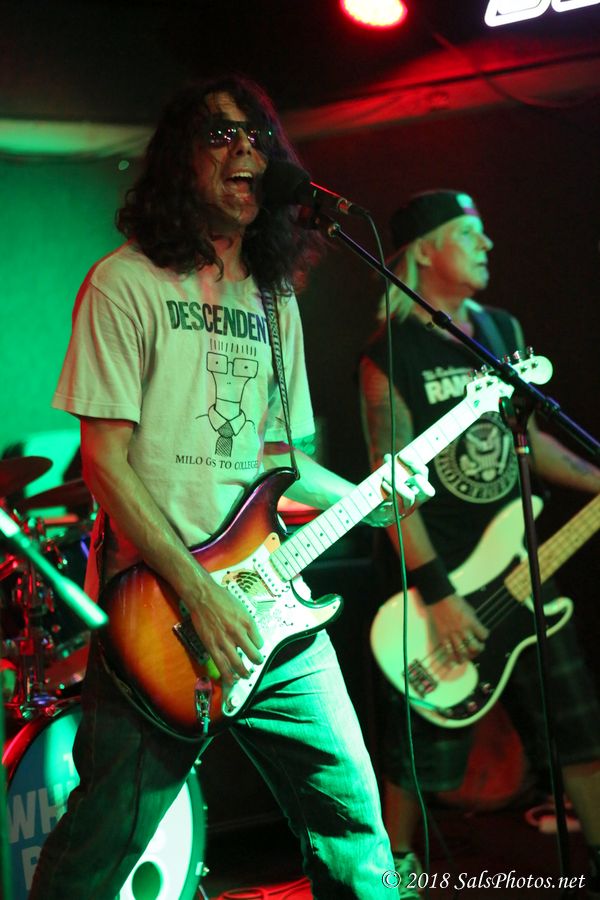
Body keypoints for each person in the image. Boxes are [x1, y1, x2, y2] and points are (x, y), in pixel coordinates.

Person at [28, 76, 434, 900]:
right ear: (180, 161)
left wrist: (370, 492)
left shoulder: (274, 297)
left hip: (273, 611)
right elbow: (105, 464)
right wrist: (196, 591)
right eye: (221, 135)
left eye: (258, 137)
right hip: (161, 613)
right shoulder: (126, 283)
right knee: (98, 854)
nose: (247, 150)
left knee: (357, 834)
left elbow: (281, 462)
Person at [358, 190, 600, 899]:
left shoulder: (500, 331)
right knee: (417, 757)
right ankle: (396, 875)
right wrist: (438, 595)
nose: (487, 245)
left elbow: (531, 441)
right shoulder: (390, 353)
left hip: (524, 567)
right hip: (440, 581)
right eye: (470, 233)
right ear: (426, 250)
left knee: (581, 733)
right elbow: (390, 489)